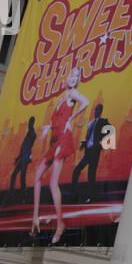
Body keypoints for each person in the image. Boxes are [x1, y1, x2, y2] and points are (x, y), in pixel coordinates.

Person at [29, 67, 89, 244]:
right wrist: (48, 127)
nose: (73, 78)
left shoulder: (73, 95)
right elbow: (57, 119)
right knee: (37, 177)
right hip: (55, 137)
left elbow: (85, 102)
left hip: (63, 138)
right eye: (71, 74)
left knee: (53, 182)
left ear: (78, 81)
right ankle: (35, 218)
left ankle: (60, 223)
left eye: (76, 76)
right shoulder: (62, 97)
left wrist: (71, 119)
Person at [72, 105, 109, 203]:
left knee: (91, 175)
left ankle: (92, 197)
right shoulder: (90, 124)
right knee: (76, 170)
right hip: (87, 152)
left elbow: (109, 133)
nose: (95, 111)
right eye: (95, 109)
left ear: (101, 111)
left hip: (95, 151)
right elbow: (88, 138)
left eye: (97, 109)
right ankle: (74, 194)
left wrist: (101, 144)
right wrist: (84, 143)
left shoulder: (103, 121)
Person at [9, 118, 36, 193]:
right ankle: (15, 191)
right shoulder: (29, 134)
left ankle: (23, 192)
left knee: (22, 175)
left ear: (32, 123)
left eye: (30, 121)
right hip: (23, 157)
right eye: (29, 121)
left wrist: (27, 157)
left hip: (25, 157)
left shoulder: (32, 133)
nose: (29, 123)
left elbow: (28, 147)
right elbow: (24, 148)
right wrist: (18, 158)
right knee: (16, 175)